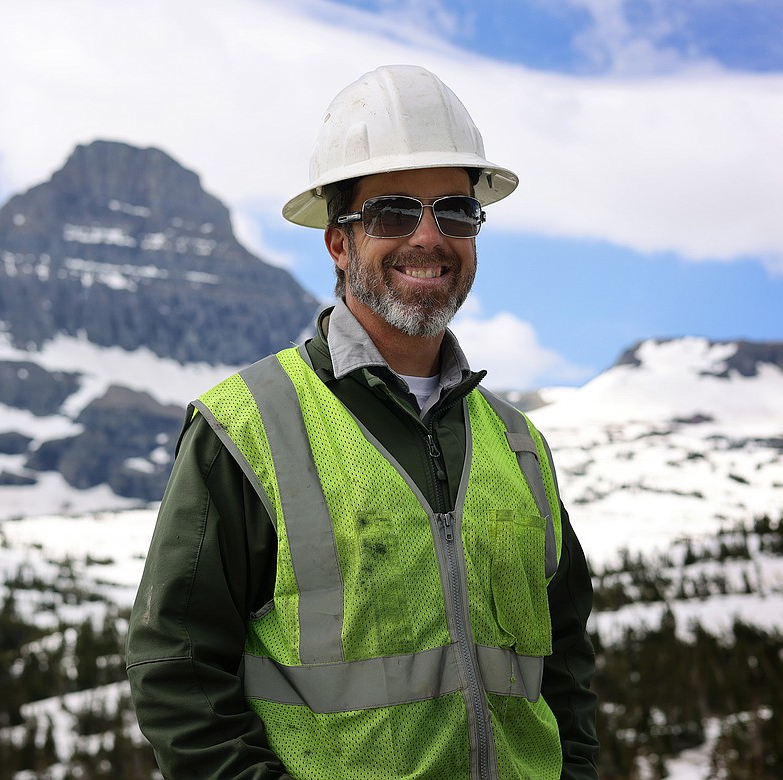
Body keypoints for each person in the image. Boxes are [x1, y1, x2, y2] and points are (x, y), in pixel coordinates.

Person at [126, 64, 598, 780]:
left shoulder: (519, 446)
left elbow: (563, 669)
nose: (430, 238)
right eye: (393, 212)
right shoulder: (246, 428)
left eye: (457, 212)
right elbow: (178, 672)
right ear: (338, 242)